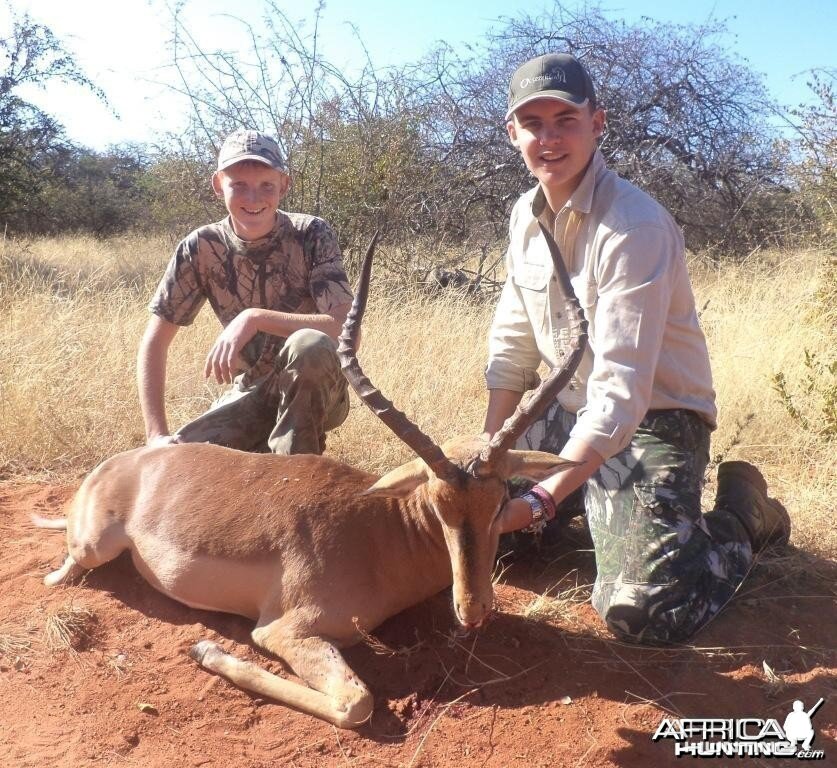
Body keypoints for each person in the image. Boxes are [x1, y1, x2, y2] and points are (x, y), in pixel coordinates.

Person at [485, 53, 790, 644]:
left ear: (597, 124)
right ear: (512, 133)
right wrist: (491, 455)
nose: (549, 139)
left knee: (646, 612)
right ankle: (602, 513)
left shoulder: (634, 227)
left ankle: (743, 517)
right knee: (488, 536)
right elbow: (512, 343)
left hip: (654, 421)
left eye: (565, 120)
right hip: (571, 412)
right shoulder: (525, 213)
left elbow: (621, 392)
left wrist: (542, 500)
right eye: (533, 124)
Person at [138, 129, 353, 455]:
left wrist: (253, 318)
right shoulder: (200, 247)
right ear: (217, 184)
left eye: (266, 185)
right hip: (251, 392)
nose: (253, 199)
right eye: (239, 185)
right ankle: (268, 453)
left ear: (284, 184)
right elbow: (155, 341)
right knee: (177, 462)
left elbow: (345, 329)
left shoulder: (312, 233)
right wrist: (156, 434)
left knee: (308, 344)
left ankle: (296, 477)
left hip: (319, 389)